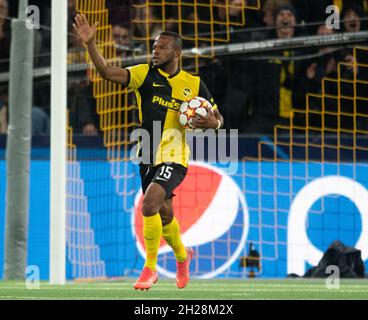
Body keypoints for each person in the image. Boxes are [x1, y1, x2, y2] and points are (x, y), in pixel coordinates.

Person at [73, 13, 224, 290]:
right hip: (146, 153)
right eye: (154, 47)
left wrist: (213, 123)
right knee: (165, 214)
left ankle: (149, 269)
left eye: (162, 47)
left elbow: (218, 119)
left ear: (177, 52)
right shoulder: (143, 74)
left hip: (175, 156)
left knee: (150, 204)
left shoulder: (194, 83)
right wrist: (90, 45)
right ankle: (182, 256)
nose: (155, 51)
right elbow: (107, 72)